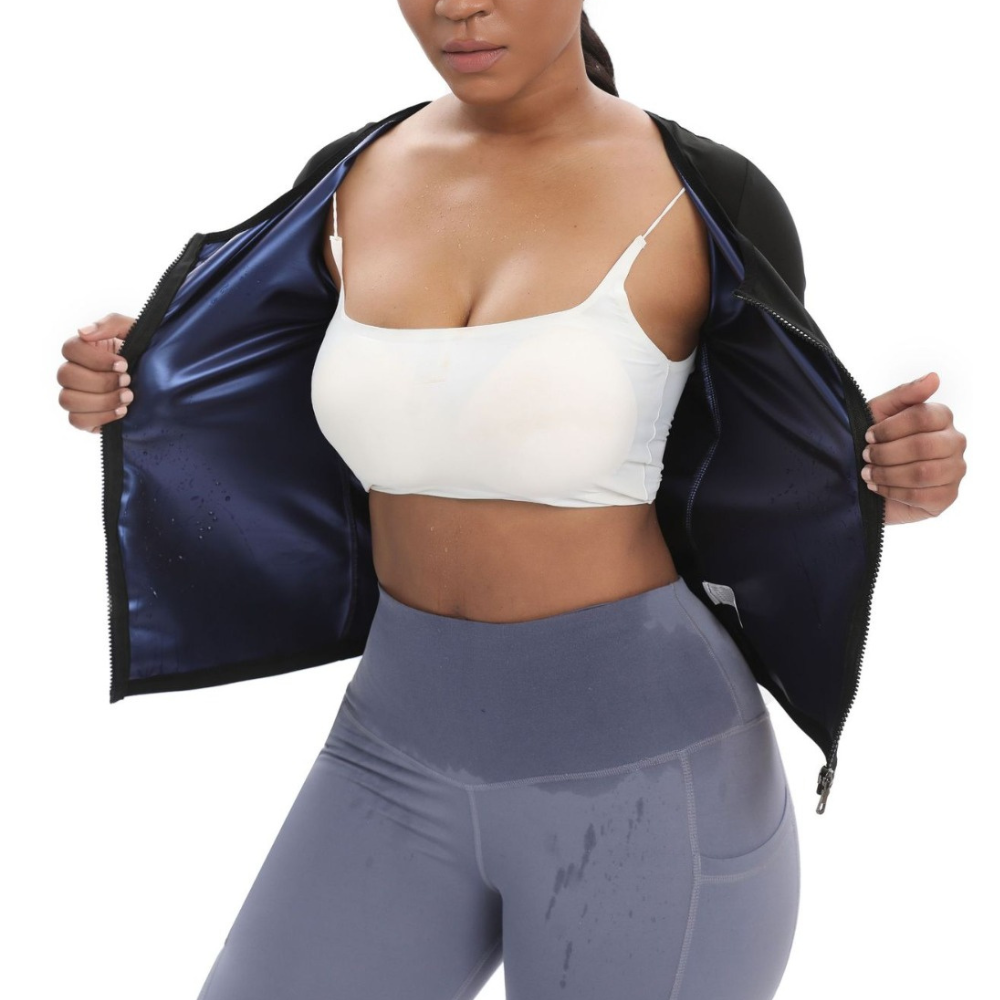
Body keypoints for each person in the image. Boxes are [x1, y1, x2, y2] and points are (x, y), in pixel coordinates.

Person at [55, 3, 967, 999]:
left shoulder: (705, 197)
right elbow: (267, 386)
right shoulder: (349, 180)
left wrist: (888, 481)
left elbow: (767, 454)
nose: (458, 7)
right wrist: (145, 380)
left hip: (650, 779)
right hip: (391, 750)